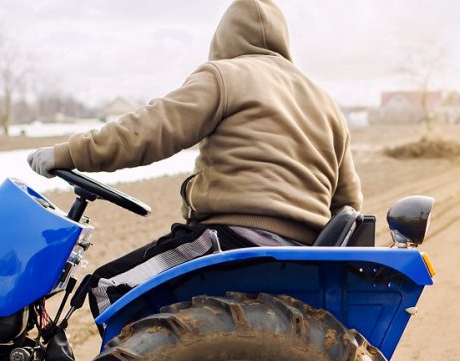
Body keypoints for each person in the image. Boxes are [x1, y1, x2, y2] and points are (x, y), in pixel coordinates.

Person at [28, 0, 362, 315]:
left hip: (233, 240)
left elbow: (145, 131)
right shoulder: (325, 103)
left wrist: (66, 153)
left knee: (109, 286)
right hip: (301, 253)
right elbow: (348, 201)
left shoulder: (226, 75)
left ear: (224, 39)